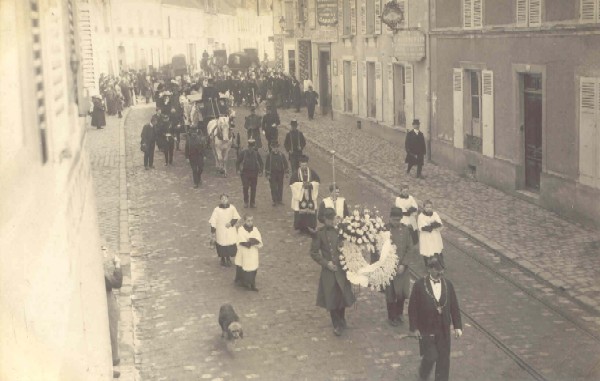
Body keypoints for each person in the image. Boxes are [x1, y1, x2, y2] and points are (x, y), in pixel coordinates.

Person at [408, 258, 463, 381]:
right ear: (429, 269)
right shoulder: (419, 285)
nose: (440, 273)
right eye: (437, 270)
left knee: (443, 359)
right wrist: (414, 327)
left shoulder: (448, 285)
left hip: (443, 329)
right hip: (426, 329)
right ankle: (423, 372)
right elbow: (413, 308)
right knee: (431, 356)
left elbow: (454, 306)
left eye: (442, 270)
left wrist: (457, 326)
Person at [310, 208, 356, 336]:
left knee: (342, 295)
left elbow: (347, 245)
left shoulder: (340, 231)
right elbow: (313, 252)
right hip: (329, 271)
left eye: (333, 218)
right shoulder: (319, 234)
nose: (332, 221)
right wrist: (326, 263)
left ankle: (342, 319)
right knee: (331, 297)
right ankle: (336, 324)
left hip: (341, 269)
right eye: (329, 219)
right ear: (325, 220)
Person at [383, 207, 414, 326]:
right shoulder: (385, 230)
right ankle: (391, 317)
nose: (397, 222)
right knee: (390, 294)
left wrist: (404, 264)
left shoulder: (405, 230)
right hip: (389, 267)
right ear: (390, 218)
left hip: (402, 268)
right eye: (394, 220)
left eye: (399, 220)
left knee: (402, 292)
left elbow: (410, 248)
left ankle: (399, 313)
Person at [103, 246, 123, 379]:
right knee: (111, 331)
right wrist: (118, 265)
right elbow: (117, 282)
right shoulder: (96, 267)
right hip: (105, 301)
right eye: (102, 249)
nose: (105, 252)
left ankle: (112, 363)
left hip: (106, 299)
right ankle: (111, 364)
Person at [289, 155, 320, 234]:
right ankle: (301, 227)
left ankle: (310, 226)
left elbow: (317, 182)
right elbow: (292, 184)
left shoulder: (312, 172)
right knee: (300, 212)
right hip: (300, 195)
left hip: (310, 195)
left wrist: (311, 184)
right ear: (300, 164)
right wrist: (301, 185)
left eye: (305, 165)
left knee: (310, 211)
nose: (304, 166)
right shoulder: (296, 174)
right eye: (302, 165)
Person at [209, 194, 241, 267]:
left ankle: (228, 258)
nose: (224, 200)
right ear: (220, 200)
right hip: (220, 229)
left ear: (228, 199)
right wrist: (213, 231)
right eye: (222, 199)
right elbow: (213, 220)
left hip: (230, 229)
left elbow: (236, 217)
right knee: (221, 244)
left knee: (229, 243)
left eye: (225, 199)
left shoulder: (232, 208)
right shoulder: (216, 210)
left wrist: (231, 223)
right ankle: (222, 258)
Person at [234, 215, 263, 291]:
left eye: (251, 221)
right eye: (248, 221)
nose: (250, 223)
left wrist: (252, 241)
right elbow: (241, 240)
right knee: (246, 268)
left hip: (253, 252)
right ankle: (245, 282)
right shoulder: (241, 229)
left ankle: (253, 283)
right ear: (245, 221)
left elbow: (258, 239)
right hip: (245, 252)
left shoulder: (255, 229)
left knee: (253, 267)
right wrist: (250, 241)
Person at [236, 138, 264, 208]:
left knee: (253, 188)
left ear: (254, 147)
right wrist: (238, 170)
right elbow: (237, 162)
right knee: (245, 187)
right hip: (245, 173)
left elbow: (261, 163)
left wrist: (261, 171)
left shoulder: (256, 153)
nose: (251, 148)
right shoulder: (243, 153)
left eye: (252, 147)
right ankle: (246, 202)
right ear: (248, 146)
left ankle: (252, 202)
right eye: (250, 147)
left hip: (254, 172)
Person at [417, 200, 444, 268]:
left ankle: (440, 264)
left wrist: (432, 225)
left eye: (430, 207)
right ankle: (428, 266)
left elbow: (439, 223)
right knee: (427, 250)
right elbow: (424, 227)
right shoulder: (421, 216)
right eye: (427, 207)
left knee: (437, 249)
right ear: (423, 208)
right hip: (426, 236)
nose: (429, 209)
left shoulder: (435, 214)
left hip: (435, 236)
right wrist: (433, 225)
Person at [264, 141, 289, 206]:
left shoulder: (281, 155)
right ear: (272, 148)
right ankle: (274, 200)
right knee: (273, 187)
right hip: (272, 174)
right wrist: (267, 174)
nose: (276, 149)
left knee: (280, 186)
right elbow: (266, 166)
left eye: (277, 147)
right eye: (274, 147)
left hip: (280, 173)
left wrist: (286, 172)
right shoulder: (269, 156)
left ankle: (280, 200)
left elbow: (285, 163)